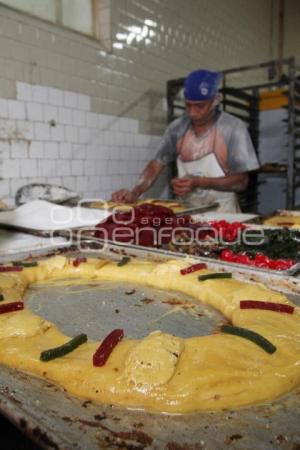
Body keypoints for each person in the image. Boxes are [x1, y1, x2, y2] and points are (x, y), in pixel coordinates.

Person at [111, 69, 260, 212]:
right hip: (187, 210)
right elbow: (156, 165)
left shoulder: (233, 128)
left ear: (216, 100)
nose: (193, 113)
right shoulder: (177, 128)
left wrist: (199, 182)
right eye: (188, 105)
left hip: (223, 212)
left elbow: (241, 182)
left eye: (200, 106)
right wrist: (135, 192)